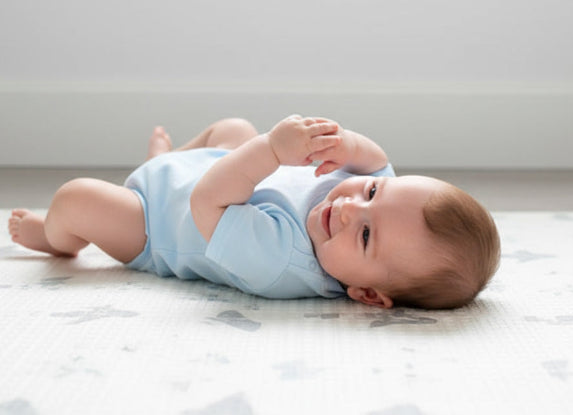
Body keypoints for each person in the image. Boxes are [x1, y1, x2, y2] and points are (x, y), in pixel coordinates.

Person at [8, 115, 500, 309]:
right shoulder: (367, 200)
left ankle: (56, 238)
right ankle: (164, 160)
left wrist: (269, 150)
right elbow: (378, 161)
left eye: (366, 236)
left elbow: (207, 202)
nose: (349, 207)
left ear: (367, 293)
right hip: (215, 170)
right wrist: (348, 143)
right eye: (371, 192)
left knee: (78, 199)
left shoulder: (280, 260)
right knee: (233, 126)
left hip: (155, 223)